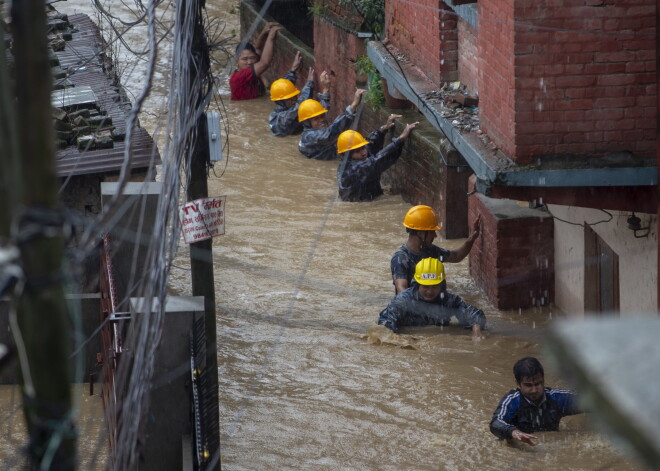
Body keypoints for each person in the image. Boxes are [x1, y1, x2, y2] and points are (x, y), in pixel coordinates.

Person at [377, 257, 486, 339]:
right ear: (418, 284)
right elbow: (385, 323)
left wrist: (476, 330)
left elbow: (474, 314)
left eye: (435, 286)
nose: (430, 291)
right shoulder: (404, 300)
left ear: (441, 285)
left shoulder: (448, 300)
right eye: (425, 286)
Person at [490, 357, 583, 446]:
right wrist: (513, 432)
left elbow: (590, 401)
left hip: (552, 447)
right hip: (523, 448)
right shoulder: (513, 401)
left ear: (543, 381)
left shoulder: (556, 398)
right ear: (518, 384)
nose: (534, 390)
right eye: (528, 385)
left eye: (538, 384)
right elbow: (495, 423)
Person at [390, 205, 481, 294]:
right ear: (420, 233)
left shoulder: (431, 250)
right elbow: (401, 287)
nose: (435, 235)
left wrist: (471, 239)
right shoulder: (401, 258)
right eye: (432, 232)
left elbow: (456, 256)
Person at [337, 115, 419, 202]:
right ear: (347, 154)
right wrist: (400, 139)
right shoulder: (352, 169)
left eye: (363, 148)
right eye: (358, 151)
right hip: (359, 205)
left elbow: (370, 144)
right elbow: (377, 161)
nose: (364, 152)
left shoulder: (358, 156)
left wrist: (383, 129)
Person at [297, 85, 365, 160]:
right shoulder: (309, 137)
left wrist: (325, 88)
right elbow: (329, 134)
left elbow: (323, 108)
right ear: (307, 122)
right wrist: (353, 106)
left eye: (322, 116)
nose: (321, 120)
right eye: (316, 119)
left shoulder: (314, 129)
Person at [230, 22, 283, 101]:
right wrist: (271, 36)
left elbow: (257, 49)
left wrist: (264, 32)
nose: (250, 62)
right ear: (236, 60)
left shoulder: (252, 66)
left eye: (252, 58)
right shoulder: (239, 77)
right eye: (245, 59)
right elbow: (265, 63)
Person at [269, 56, 315, 137]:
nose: (294, 100)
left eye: (295, 96)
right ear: (281, 101)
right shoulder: (283, 117)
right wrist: (309, 84)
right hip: (284, 138)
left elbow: (285, 88)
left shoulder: (283, 103)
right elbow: (300, 105)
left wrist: (292, 70)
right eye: (291, 99)